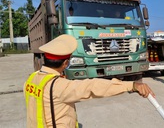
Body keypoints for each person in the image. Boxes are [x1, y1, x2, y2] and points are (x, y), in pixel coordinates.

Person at [24, 34, 155, 128]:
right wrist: (131, 85)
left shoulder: (32, 79)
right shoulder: (58, 86)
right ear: (65, 63)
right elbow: (92, 86)